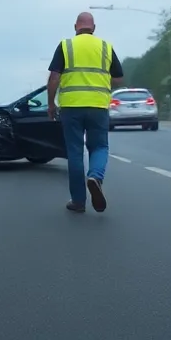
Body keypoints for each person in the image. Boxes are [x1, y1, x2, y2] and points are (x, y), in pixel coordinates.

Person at [46, 11, 124, 214]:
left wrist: (51, 104)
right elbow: (118, 79)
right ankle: (95, 176)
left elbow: (54, 77)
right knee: (99, 146)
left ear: (75, 27)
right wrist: (100, 80)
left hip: (71, 107)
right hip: (98, 106)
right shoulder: (106, 46)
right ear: (94, 28)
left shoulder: (66, 45)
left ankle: (78, 202)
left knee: (74, 152)